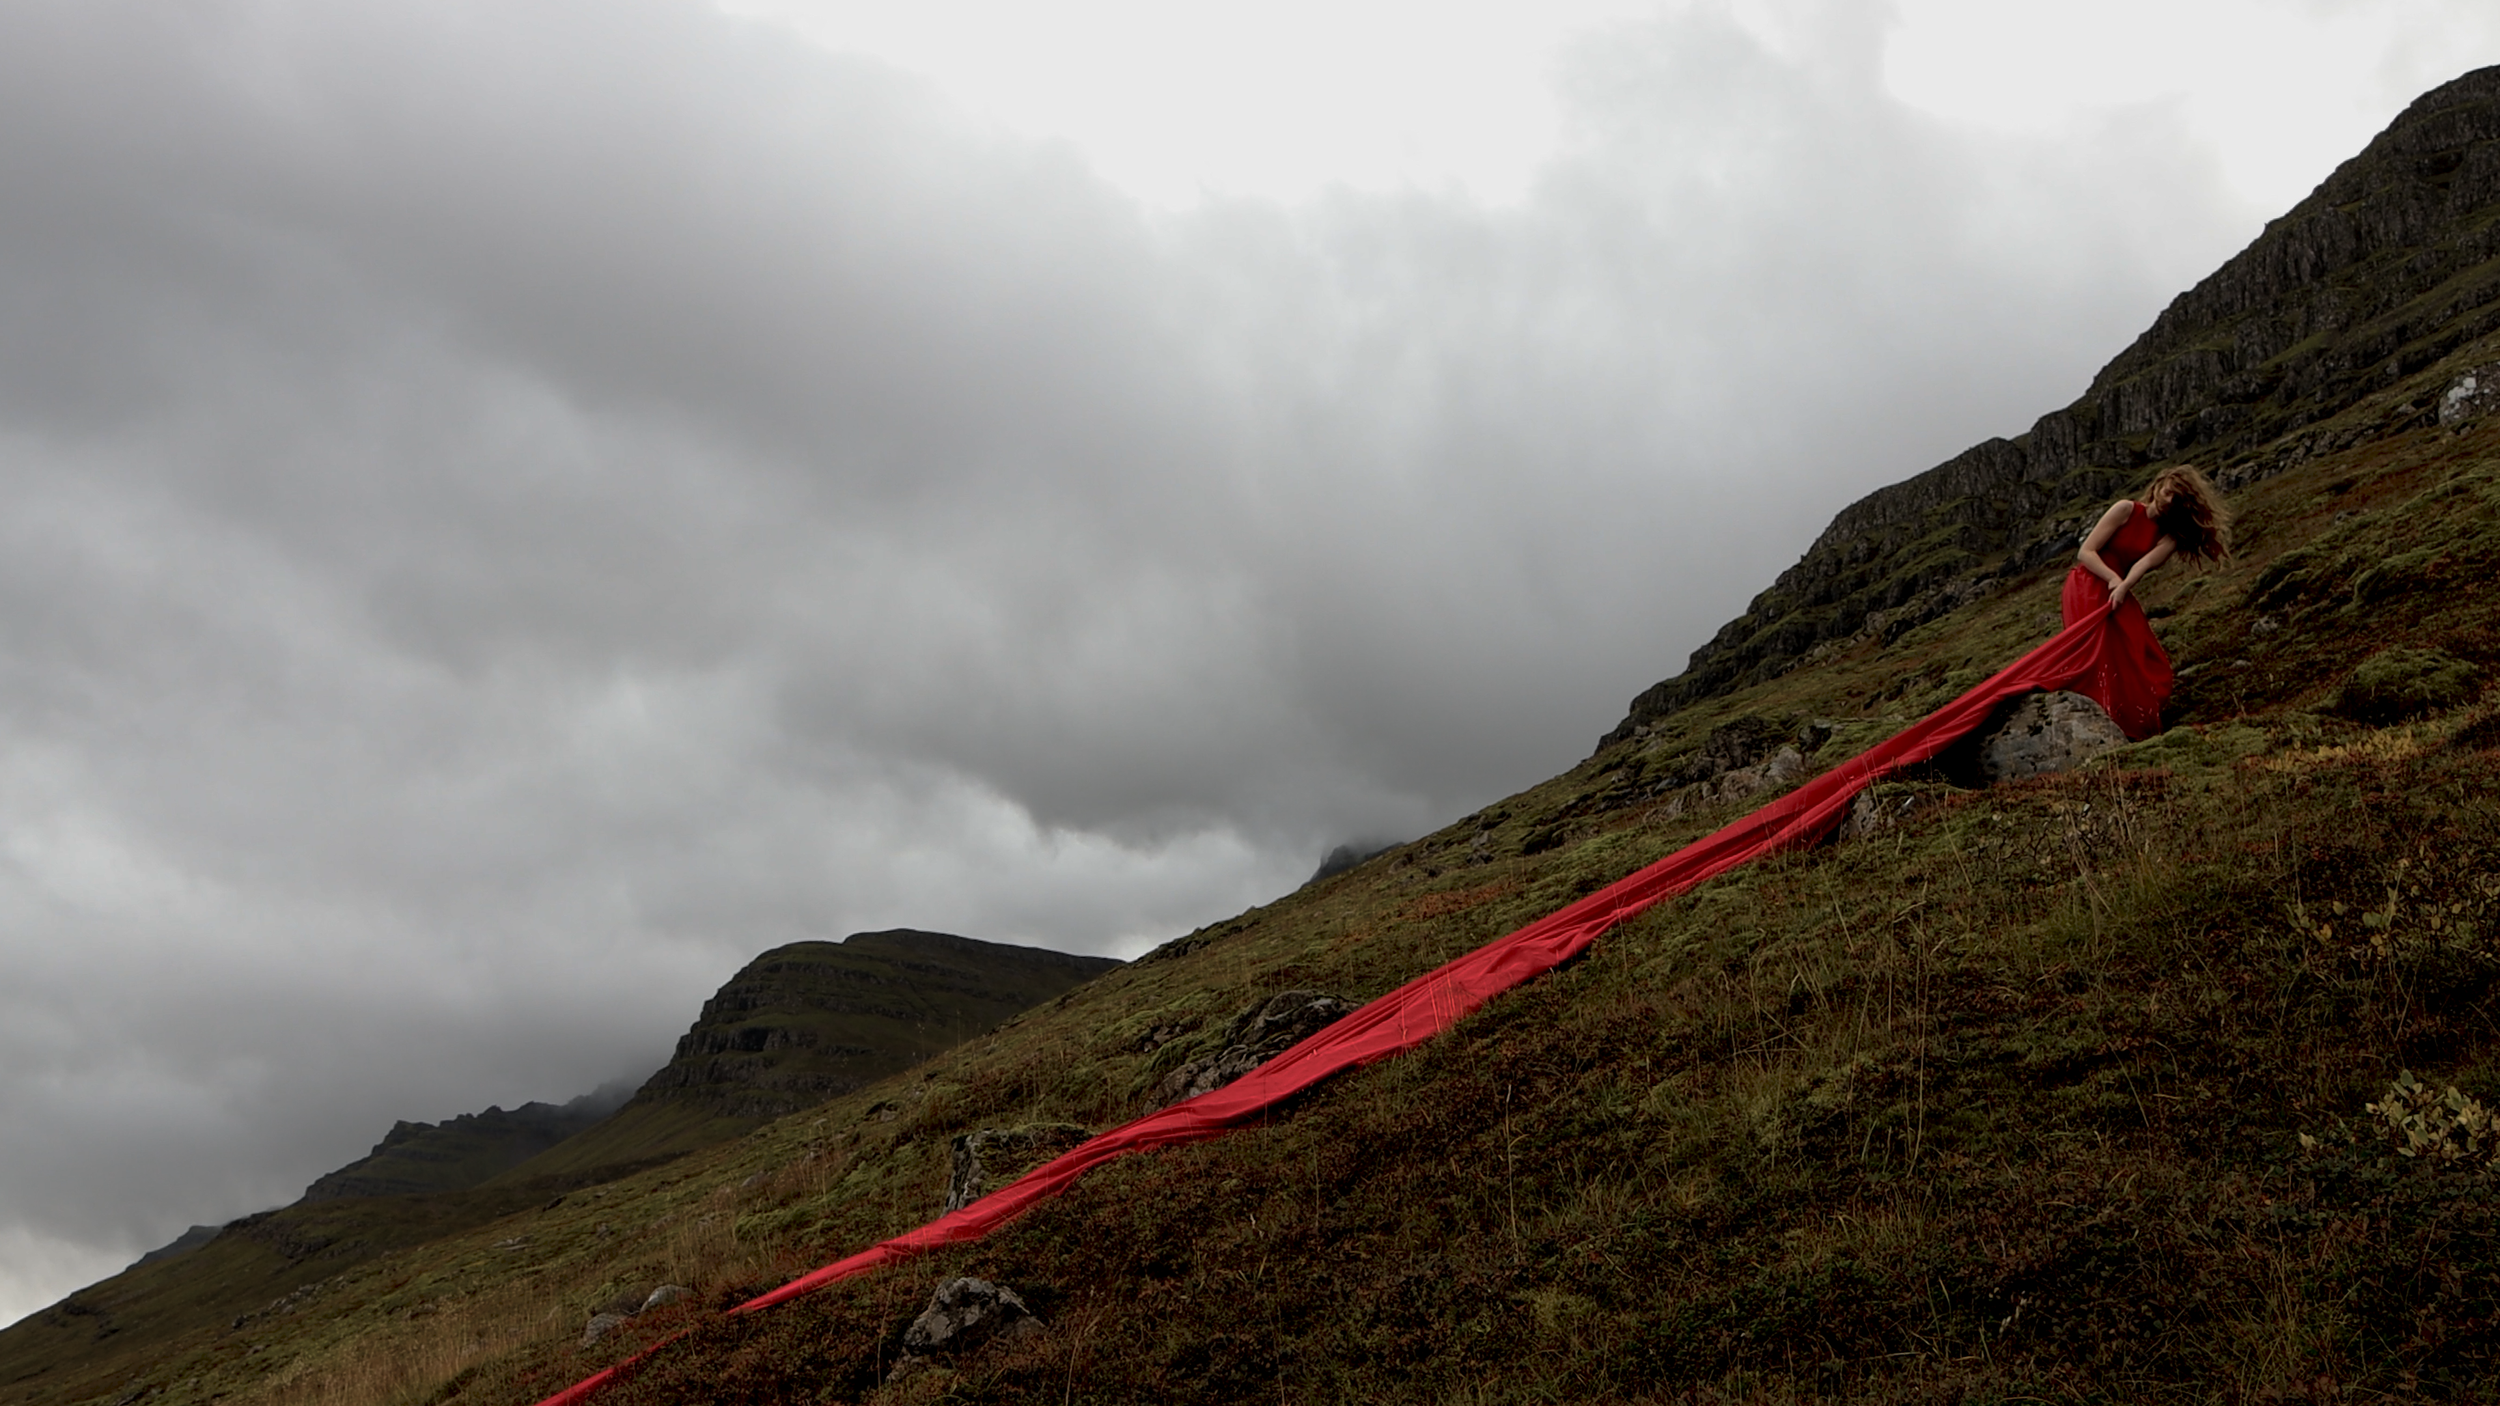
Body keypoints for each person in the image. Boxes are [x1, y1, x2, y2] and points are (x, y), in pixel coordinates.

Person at [2059, 465, 2232, 738]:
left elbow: (2144, 563)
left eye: (2178, 500)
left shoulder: (2169, 537)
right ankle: (2096, 717)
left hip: (2118, 589)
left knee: (2142, 651)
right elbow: (2086, 551)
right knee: (2097, 652)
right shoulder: (2125, 509)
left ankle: (2130, 723)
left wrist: (2123, 585)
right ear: (2159, 485)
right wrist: (2113, 578)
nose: (2169, 501)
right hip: (2087, 583)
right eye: (2168, 493)